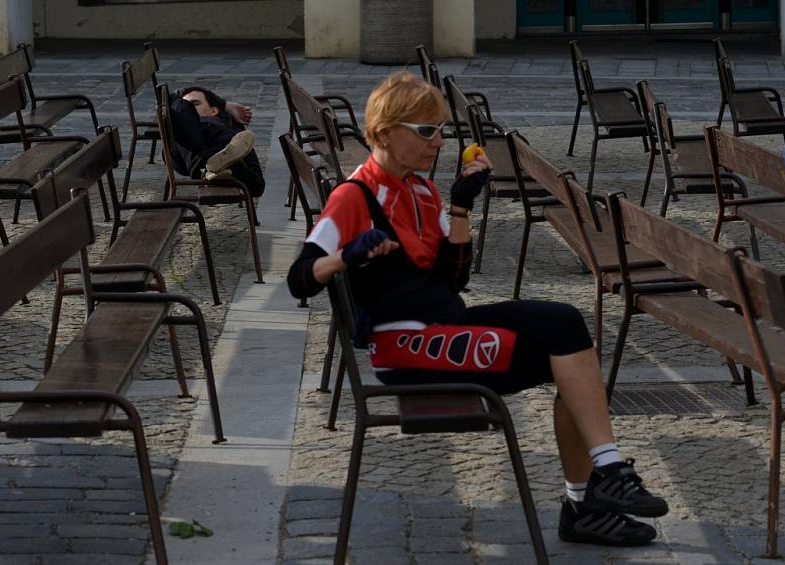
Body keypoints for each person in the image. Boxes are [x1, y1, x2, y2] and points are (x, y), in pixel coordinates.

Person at [287, 71, 669, 547]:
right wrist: (346, 256)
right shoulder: (355, 196)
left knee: (567, 330)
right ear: (385, 132)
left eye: (441, 130)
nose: (439, 142)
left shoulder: (421, 190)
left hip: (444, 329)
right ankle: (590, 496)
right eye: (427, 131)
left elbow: (454, 278)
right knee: (566, 360)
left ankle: (595, 488)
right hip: (405, 349)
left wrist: (462, 207)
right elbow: (299, 277)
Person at [168, 86, 265, 197]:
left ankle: (215, 167)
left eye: (195, 104)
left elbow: (258, 188)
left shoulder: (231, 129)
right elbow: (169, 98)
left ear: (213, 110)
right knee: (181, 112)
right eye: (188, 106)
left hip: (219, 149)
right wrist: (224, 104)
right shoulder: (181, 117)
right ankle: (210, 165)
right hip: (191, 156)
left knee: (253, 180)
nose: (191, 110)